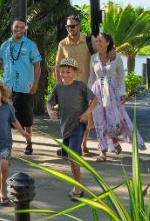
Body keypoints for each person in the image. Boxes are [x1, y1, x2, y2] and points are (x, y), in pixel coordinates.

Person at [0, 17, 41, 155]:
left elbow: (37, 65)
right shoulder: (5, 45)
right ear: (12, 27)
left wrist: (35, 83)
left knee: (27, 119)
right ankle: (6, 146)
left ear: (25, 28)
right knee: (5, 117)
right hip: (7, 87)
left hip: (25, 86)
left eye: (22, 27)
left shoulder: (30, 45)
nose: (19, 30)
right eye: (17, 27)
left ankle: (29, 144)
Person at [88, 32, 145, 161]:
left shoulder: (116, 57)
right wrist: (88, 95)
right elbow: (91, 77)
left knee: (114, 121)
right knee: (98, 121)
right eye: (96, 41)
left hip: (112, 91)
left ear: (107, 42)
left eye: (100, 41)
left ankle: (114, 140)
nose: (97, 43)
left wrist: (123, 93)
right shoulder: (93, 58)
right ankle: (102, 152)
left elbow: (121, 77)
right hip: (97, 91)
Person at [47, 57, 97, 198]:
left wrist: (87, 113)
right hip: (65, 126)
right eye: (62, 72)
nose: (65, 75)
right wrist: (51, 111)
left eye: (68, 72)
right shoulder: (58, 88)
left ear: (74, 72)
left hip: (78, 124)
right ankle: (66, 152)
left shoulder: (80, 86)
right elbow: (49, 103)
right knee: (68, 153)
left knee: (73, 156)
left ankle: (77, 188)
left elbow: (94, 99)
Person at [54, 15, 94, 156]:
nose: (70, 29)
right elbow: (58, 65)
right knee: (69, 116)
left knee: (86, 116)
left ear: (79, 26)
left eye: (72, 26)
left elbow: (100, 55)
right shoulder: (62, 44)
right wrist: (59, 85)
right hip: (68, 86)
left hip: (86, 84)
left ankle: (83, 144)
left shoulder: (89, 41)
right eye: (67, 26)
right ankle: (71, 145)